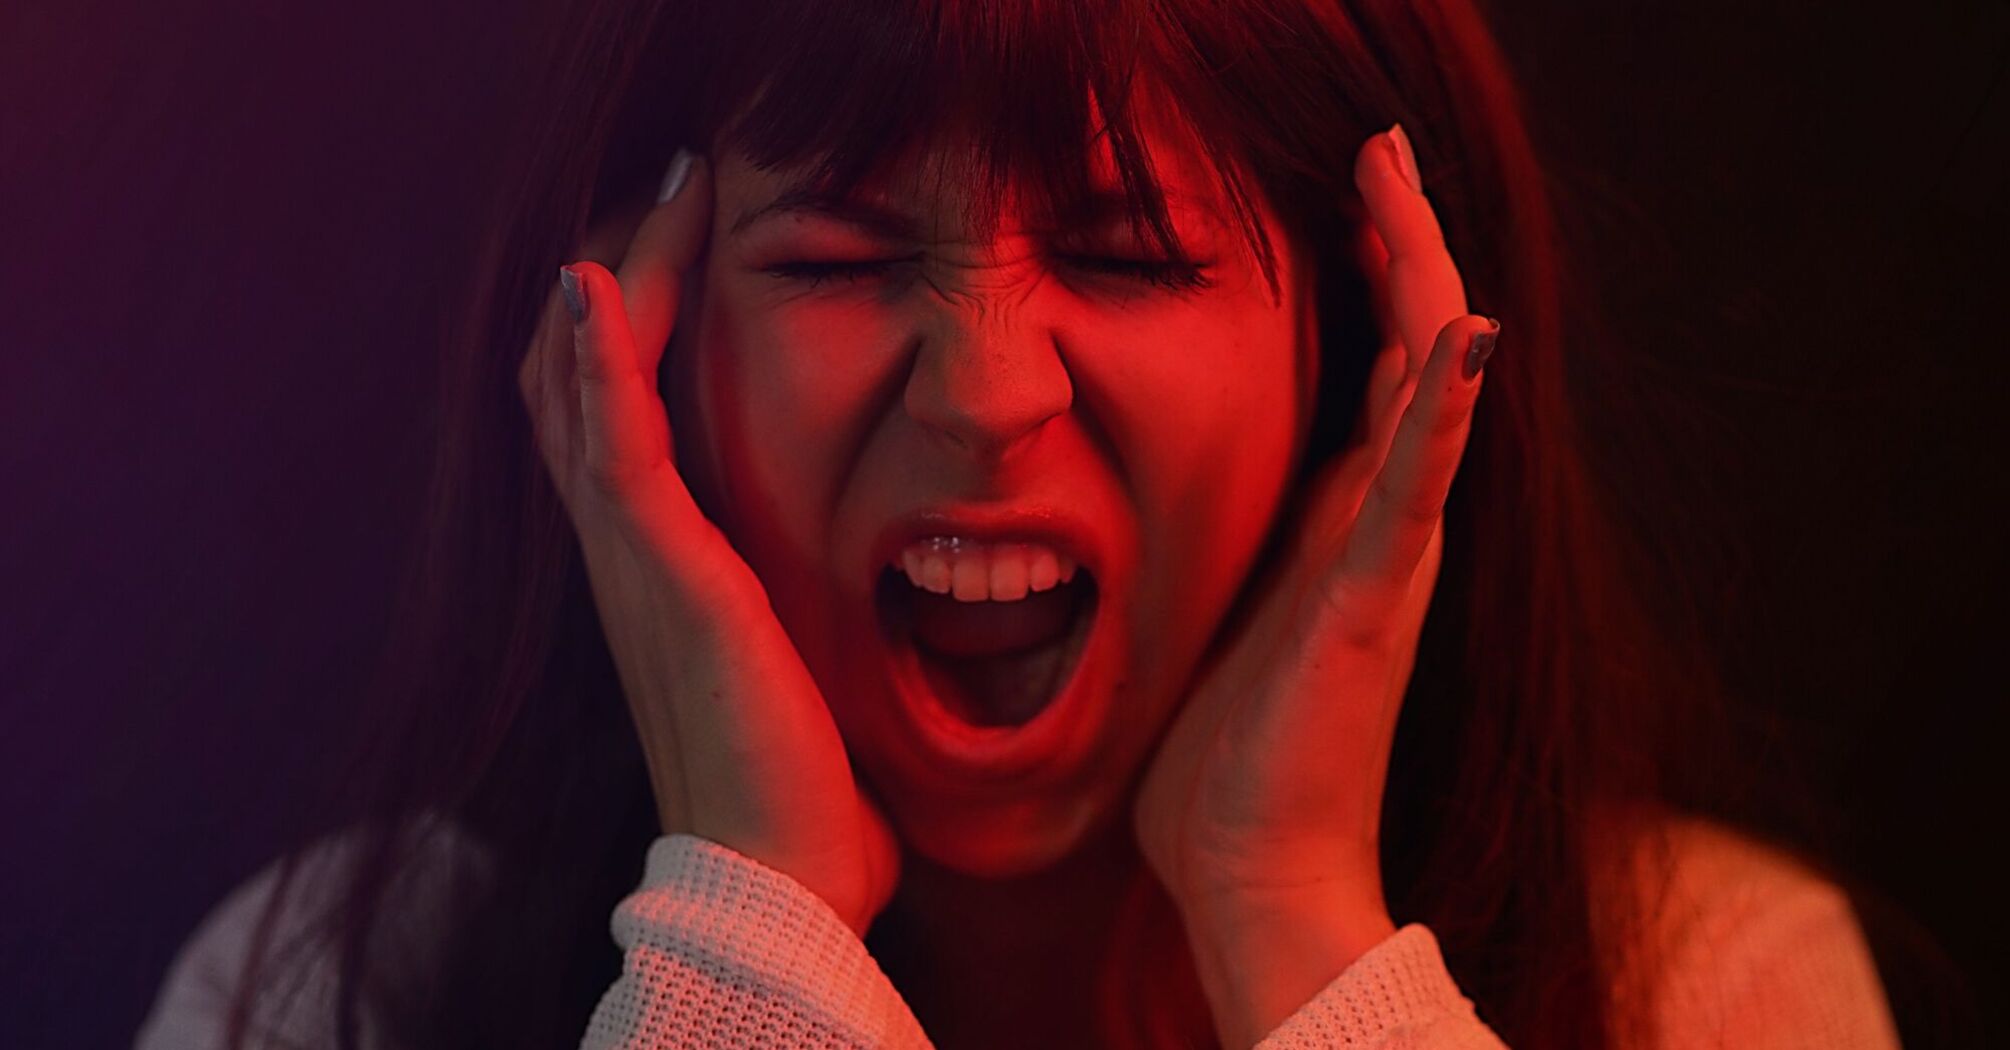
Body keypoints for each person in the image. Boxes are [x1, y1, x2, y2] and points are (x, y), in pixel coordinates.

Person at [135, 1, 1905, 1047]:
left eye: (1128, 251)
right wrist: (750, 930)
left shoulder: (1715, 986)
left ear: (1361, 349)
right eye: (834, 255)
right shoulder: (328, 990)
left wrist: (1292, 922)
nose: (981, 396)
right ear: (647, 344)